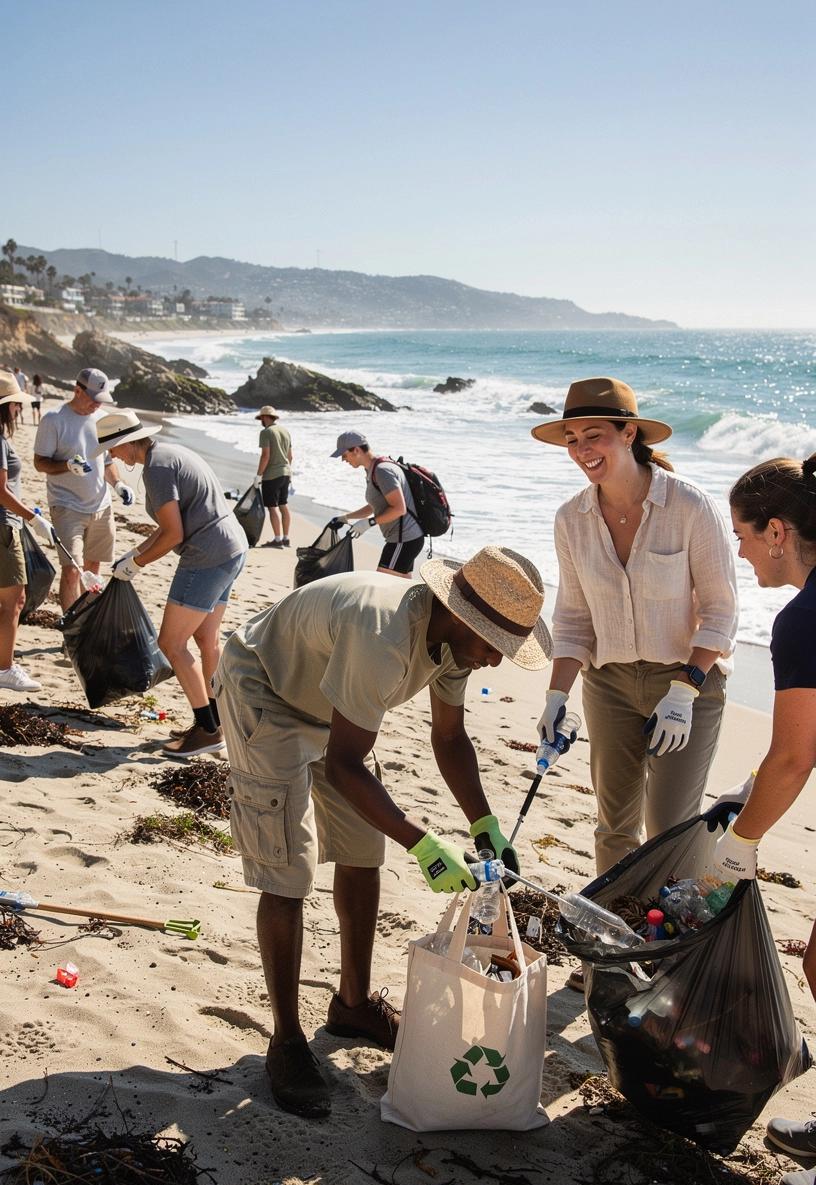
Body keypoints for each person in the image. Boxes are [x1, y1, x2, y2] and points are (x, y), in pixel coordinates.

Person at [214, 544, 551, 1117]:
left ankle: (351, 1005)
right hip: (265, 689)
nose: (497, 661)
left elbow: (448, 738)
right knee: (288, 867)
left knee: (364, 850)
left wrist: (484, 823)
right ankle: (287, 1039)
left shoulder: (454, 647)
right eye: (496, 646)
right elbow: (346, 765)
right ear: (462, 616)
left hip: (332, 708)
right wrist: (422, 842)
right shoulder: (384, 635)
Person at [532, 378, 738, 987]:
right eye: (571, 439)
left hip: (690, 686)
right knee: (613, 824)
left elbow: (723, 612)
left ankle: (665, 954)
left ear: (630, 433)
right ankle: (609, 947)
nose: (581, 449)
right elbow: (571, 617)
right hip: (610, 685)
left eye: (593, 435)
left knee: (671, 829)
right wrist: (556, 696)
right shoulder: (571, 518)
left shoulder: (690, 506)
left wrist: (685, 690)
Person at [713, 453, 816, 1185]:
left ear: (778, 531)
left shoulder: (804, 618)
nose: (741, 552)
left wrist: (740, 843)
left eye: (744, 536)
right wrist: (746, 794)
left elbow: (793, 757)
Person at [93, 411, 247, 759]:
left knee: (170, 643)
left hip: (207, 555)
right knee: (207, 641)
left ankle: (207, 730)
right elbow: (172, 528)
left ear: (125, 443)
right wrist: (135, 552)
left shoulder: (157, 470)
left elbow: (174, 533)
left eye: (112, 449)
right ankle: (219, 722)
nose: (113, 456)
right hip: (231, 547)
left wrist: (137, 563)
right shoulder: (169, 452)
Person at [33, 368, 135, 611]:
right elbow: (40, 463)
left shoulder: (101, 419)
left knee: (93, 571)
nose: (97, 405)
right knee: (71, 571)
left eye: (102, 400)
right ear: (77, 391)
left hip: (102, 507)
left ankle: (85, 623)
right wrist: (67, 466)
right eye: (93, 399)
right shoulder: (53, 419)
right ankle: (71, 633)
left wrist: (118, 484)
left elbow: (107, 462)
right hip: (67, 507)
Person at [0, 372, 56, 692]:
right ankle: (5, 668)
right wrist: (33, 520)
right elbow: (2, 491)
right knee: (15, 600)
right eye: (15, 405)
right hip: (4, 527)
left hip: (8, 522)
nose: (19, 410)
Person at [331, 430, 425, 578]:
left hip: (403, 539)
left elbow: (399, 509)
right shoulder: (372, 469)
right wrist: (347, 517)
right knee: (403, 589)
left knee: (380, 585)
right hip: (405, 539)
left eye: (344, 455)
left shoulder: (382, 471)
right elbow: (375, 506)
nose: (343, 460)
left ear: (356, 450)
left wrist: (369, 523)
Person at [252, 406, 292, 548]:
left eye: (261, 418)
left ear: (264, 417)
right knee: (283, 505)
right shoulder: (285, 431)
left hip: (272, 476)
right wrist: (289, 473)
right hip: (286, 473)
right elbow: (290, 456)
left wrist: (258, 476)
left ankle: (277, 540)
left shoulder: (266, 432)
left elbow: (265, 456)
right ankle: (286, 538)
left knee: (272, 507)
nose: (261, 421)